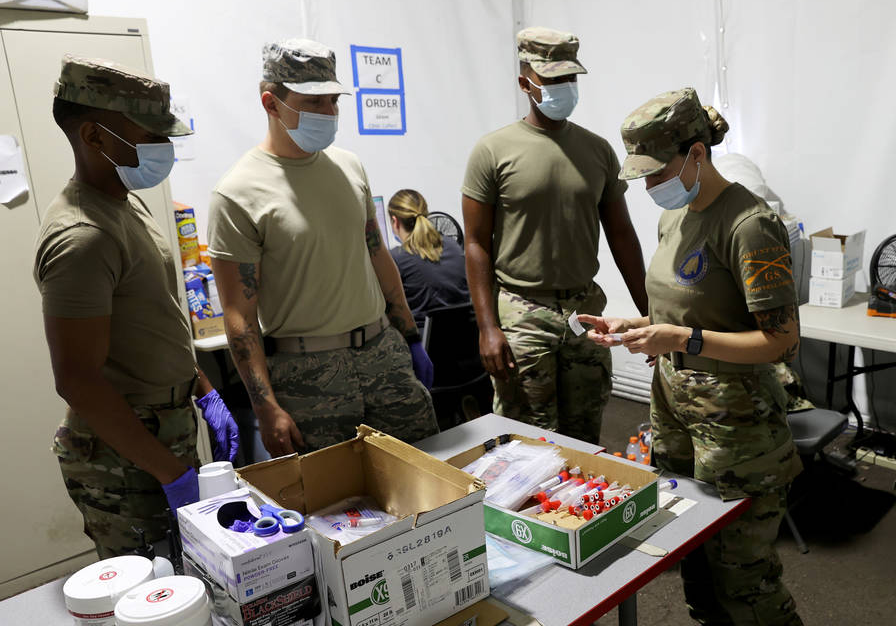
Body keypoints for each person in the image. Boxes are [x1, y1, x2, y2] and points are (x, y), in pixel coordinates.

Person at [580, 87, 810, 626]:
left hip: (739, 429)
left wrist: (684, 336)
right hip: (678, 416)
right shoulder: (672, 216)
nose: (651, 185)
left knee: (746, 575)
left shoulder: (750, 224)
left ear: (696, 154)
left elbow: (780, 341)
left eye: (658, 171)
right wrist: (636, 329)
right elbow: (679, 310)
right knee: (699, 563)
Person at [35, 55, 238, 558]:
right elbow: (77, 379)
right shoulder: (83, 236)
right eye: (150, 134)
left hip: (163, 428)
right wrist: (171, 473)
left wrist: (204, 388)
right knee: (154, 593)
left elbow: (153, 318)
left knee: (192, 576)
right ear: (94, 136)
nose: (164, 148)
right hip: (122, 456)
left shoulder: (124, 201)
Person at [208, 39, 437, 457]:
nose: (328, 114)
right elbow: (240, 316)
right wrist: (266, 405)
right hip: (306, 377)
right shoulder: (238, 192)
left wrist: (410, 338)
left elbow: (377, 255)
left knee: (424, 483)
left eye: (333, 101)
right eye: (313, 104)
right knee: (334, 508)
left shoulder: (349, 167)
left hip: (382, 355)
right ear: (271, 103)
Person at [461, 26, 648, 445]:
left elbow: (621, 234)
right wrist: (487, 327)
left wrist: (650, 315)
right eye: (552, 80)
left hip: (585, 312)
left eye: (570, 79)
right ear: (525, 82)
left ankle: (575, 511)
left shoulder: (598, 150)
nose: (564, 89)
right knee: (527, 439)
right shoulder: (493, 151)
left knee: (585, 435)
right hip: (523, 311)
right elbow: (475, 243)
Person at [386, 189, 469, 326]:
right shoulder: (454, 246)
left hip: (421, 343)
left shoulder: (395, 259)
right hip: (465, 337)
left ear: (395, 222)